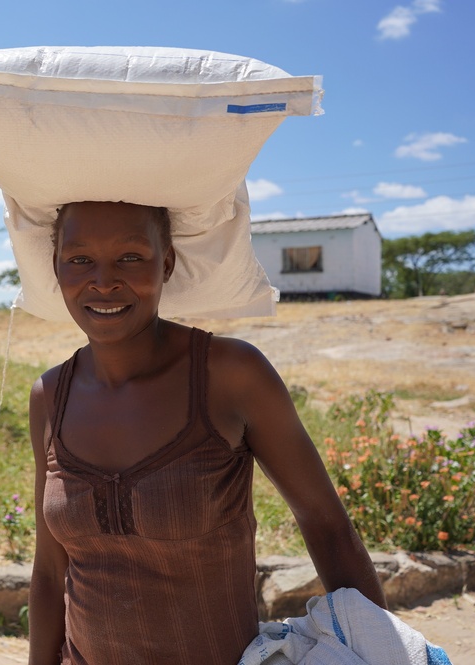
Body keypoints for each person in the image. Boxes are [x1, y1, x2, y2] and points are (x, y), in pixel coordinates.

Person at [26, 200, 387, 665]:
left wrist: (382, 650)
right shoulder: (51, 395)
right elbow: (51, 572)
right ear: (56, 269)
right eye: (79, 260)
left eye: (131, 257)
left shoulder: (230, 375)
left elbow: (327, 526)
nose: (104, 280)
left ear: (168, 263)